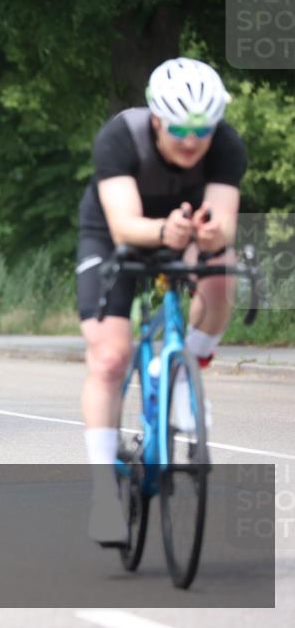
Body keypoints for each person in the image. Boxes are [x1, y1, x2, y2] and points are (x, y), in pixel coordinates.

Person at [76, 58, 243, 546]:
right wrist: (164, 230)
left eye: (203, 128)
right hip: (113, 235)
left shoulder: (226, 145)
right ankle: (105, 494)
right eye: (180, 128)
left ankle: (184, 368)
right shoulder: (120, 137)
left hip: (185, 227)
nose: (192, 140)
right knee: (109, 357)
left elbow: (224, 222)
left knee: (221, 278)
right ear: (156, 118)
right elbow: (126, 224)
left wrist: (213, 234)